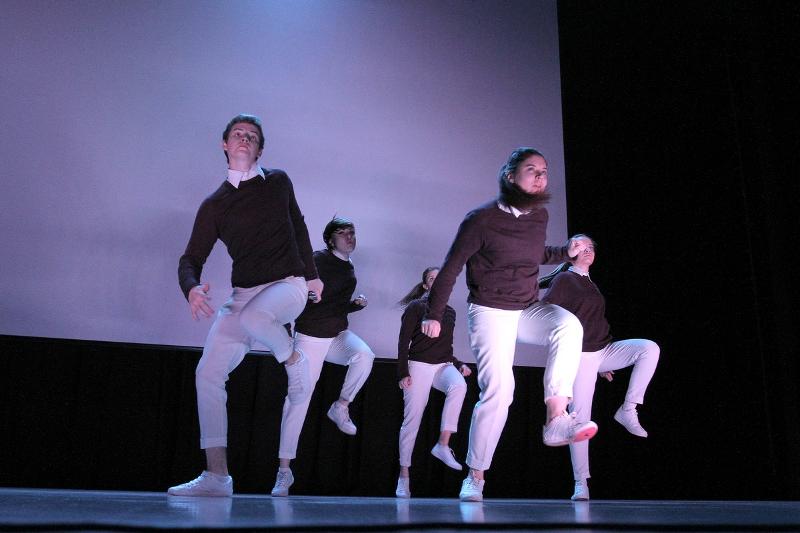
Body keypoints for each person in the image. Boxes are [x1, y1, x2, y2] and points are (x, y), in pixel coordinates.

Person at [421, 147, 598, 502]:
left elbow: (536, 253)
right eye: (532, 169)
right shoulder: (481, 219)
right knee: (500, 392)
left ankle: (556, 419)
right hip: (489, 311)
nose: (540, 176)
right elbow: (451, 267)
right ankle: (475, 476)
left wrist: (565, 253)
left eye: (544, 170)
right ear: (510, 175)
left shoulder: (539, 216)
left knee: (568, 326)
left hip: (526, 308)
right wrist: (433, 314)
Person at [169, 114, 323, 497]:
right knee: (207, 374)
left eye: (252, 136)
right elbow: (190, 259)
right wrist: (191, 288)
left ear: (260, 150)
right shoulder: (215, 205)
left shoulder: (278, 182)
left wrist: (312, 274)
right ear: (225, 145)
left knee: (257, 317)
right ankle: (217, 477)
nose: (244, 138)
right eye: (238, 134)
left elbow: (299, 225)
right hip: (244, 295)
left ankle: (293, 361)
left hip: (288, 285)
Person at [539, 234, 660, 501]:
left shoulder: (589, 282)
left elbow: (594, 321)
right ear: (570, 252)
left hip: (603, 350)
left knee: (649, 348)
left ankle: (628, 409)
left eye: (591, 247)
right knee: (580, 420)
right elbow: (547, 312)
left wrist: (604, 364)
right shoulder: (565, 279)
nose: (587, 250)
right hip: (581, 356)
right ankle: (581, 482)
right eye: (581, 246)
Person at [270, 217, 375, 497]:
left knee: (364, 356)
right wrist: (303, 302)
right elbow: (293, 294)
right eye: (343, 233)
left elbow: (330, 304)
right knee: (298, 401)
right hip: (310, 337)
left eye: (352, 232)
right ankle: (284, 471)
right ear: (330, 239)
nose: (350, 237)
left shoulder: (348, 266)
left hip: (336, 335)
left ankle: (340, 406)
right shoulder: (317, 260)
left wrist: (353, 306)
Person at [395, 267, 472, 499]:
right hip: (418, 365)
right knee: (412, 421)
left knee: (459, 385)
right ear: (426, 286)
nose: (437, 281)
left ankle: (443, 444)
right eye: (431, 278)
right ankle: (404, 475)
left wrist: (458, 363)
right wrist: (403, 372)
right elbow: (403, 341)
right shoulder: (416, 307)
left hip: (442, 365)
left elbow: (445, 348)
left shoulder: (450, 312)